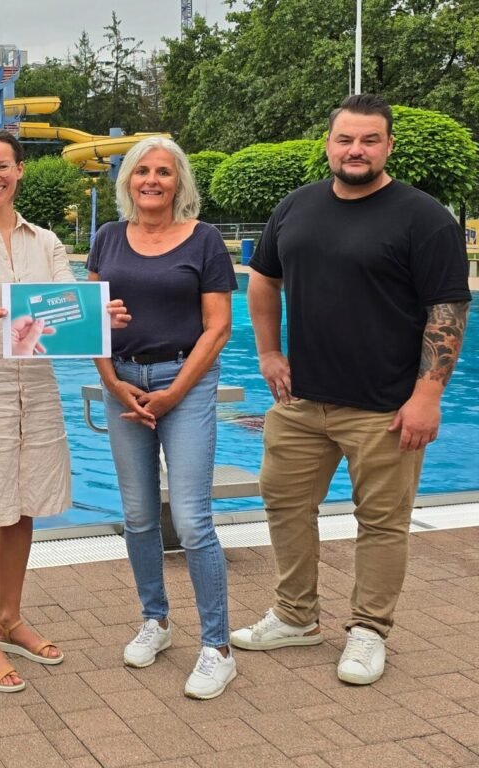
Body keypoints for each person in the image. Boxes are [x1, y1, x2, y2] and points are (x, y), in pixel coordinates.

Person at [231, 94, 471, 686]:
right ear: (329, 144)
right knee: (284, 504)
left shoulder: (424, 218)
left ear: (388, 146)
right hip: (301, 401)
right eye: (345, 139)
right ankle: (295, 615)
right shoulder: (297, 206)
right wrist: (268, 352)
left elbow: (447, 311)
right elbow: (262, 281)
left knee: (382, 523)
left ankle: (368, 630)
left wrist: (427, 396)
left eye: (369, 140)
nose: (355, 150)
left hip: (385, 407)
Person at [0, 128, 130, 692]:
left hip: (36, 391)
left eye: (3, 166)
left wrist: (100, 317)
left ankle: (10, 617)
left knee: (22, 509)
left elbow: (68, 308)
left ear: (19, 170)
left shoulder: (45, 241)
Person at [87, 137, 238, 700]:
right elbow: (91, 321)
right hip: (123, 381)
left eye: (164, 172)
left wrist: (173, 393)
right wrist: (112, 383)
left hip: (185, 382)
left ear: (180, 183)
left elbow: (218, 328)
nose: (152, 180)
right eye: (141, 171)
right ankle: (156, 619)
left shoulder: (204, 240)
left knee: (193, 520)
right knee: (138, 515)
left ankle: (217, 647)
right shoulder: (107, 237)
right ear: (128, 180)